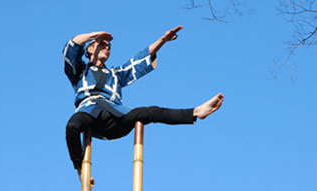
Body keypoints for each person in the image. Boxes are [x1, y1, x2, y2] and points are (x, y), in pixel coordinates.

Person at [63, 26, 224, 181]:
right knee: (73, 126)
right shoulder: (80, 71)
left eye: (109, 46)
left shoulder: (116, 74)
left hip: (114, 116)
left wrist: (163, 40)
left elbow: (139, 59)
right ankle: (80, 170)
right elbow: (72, 47)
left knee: (150, 111)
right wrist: (94, 35)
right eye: (102, 45)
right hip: (89, 111)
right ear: (90, 49)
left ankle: (195, 112)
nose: (107, 48)